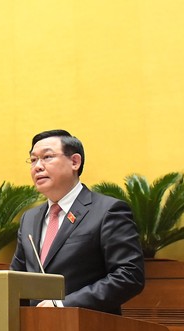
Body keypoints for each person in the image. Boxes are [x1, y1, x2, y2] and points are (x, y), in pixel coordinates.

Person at [10, 129, 144, 315]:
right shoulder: (29, 219)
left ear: (75, 162)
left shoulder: (108, 211)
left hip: (87, 330)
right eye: (33, 160)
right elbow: (16, 279)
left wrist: (63, 304)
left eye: (47, 157)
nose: (37, 166)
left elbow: (129, 275)